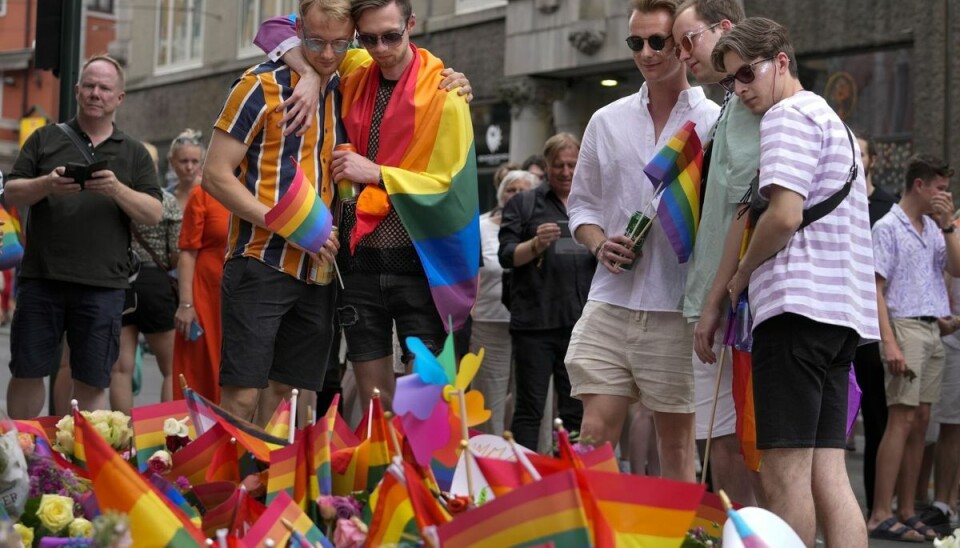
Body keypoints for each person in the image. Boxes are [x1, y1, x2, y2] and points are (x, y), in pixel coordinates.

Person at [715, 18, 879, 546]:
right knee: (829, 472)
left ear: (781, 61)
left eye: (746, 74)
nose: (740, 89)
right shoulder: (834, 122)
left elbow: (783, 216)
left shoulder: (786, 116)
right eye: (730, 82)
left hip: (795, 309)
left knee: (785, 470)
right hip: (842, 315)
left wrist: (740, 276)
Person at [565, 0, 718, 481]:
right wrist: (597, 243)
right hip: (610, 300)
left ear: (683, 44)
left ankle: (676, 534)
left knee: (676, 447)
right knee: (593, 434)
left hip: (677, 306)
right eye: (637, 42)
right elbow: (582, 204)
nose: (647, 53)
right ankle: (597, 531)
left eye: (660, 41)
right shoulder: (606, 120)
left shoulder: (714, 119)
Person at [202, 0, 346, 426]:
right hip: (259, 261)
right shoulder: (256, 86)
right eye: (315, 41)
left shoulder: (348, 86)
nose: (325, 54)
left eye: (339, 44)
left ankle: (271, 490)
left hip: (318, 271)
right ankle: (230, 490)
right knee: (242, 395)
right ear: (297, 29)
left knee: (288, 398)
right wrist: (287, 225)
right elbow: (214, 176)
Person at [3, 54, 162, 417]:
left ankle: (82, 462)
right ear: (76, 91)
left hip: (103, 285)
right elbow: (11, 193)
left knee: (93, 379)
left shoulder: (134, 152)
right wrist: (47, 183)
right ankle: (21, 459)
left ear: (119, 98)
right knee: (27, 371)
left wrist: (117, 190)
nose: (95, 93)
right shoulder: (44, 138)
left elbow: (153, 213)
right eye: (89, 85)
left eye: (104, 88)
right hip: (41, 278)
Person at [673, 0, 759, 503]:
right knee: (723, 441)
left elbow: (749, 208)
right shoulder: (731, 104)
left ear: (725, 29)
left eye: (689, 40)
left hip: (732, 306)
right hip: (720, 299)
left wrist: (715, 301)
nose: (684, 55)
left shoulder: (749, 104)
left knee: (732, 443)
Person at [866, 154, 960, 542]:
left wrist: (949, 224)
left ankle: (906, 509)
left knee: (921, 422)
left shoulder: (935, 228)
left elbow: (956, 269)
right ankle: (880, 513)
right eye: (939, 187)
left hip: (932, 329)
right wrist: (888, 341)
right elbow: (876, 288)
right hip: (903, 327)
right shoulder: (888, 225)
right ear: (919, 185)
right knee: (901, 419)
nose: (945, 194)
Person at [498, 133, 591, 451]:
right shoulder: (524, 203)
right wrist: (535, 244)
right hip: (534, 325)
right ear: (546, 165)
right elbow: (506, 255)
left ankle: (573, 475)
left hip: (580, 325)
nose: (566, 172)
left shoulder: (591, 202)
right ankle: (524, 480)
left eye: (572, 165)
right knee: (529, 410)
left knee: (576, 412)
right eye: (558, 166)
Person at [109, 141, 183, 414]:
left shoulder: (115, 198)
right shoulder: (168, 202)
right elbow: (176, 255)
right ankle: (165, 435)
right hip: (155, 284)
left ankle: (125, 439)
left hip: (121, 282)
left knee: (120, 368)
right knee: (170, 368)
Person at [471, 170, 539, 435]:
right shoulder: (480, 227)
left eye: (523, 191)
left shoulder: (541, 228)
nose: (516, 195)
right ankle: (489, 461)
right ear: (501, 195)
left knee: (531, 400)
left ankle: (533, 462)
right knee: (489, 400)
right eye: (511, 190)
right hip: (489, 321)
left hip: (533, 325)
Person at [850, 130, 897, 514]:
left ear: (873, 160)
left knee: (879, 416)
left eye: (861, 152)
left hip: (871, 323)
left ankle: (875, 505)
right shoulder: (838, 201)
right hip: (839, 319)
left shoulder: (888, 206)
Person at [172, 183, 230, 404]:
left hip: (248, 296)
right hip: (206, 295)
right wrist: (186, 304)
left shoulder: (262, 188)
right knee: (199, 371)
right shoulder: (203, 193)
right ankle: (195, 435)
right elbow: (187, 252)